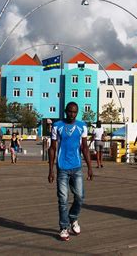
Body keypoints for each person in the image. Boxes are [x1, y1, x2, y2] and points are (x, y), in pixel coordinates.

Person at [48, 102, 93, 241]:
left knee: (80, 197)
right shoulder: (57, 126)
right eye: (70, 111)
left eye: (75, 112)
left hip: (77, 167)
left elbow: (85, 148)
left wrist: (90, 167)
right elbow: (52, 148)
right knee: (63, 199)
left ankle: (73, 218)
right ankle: (63, 227)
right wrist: (50, 170)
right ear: (65, 111)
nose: (72, 114)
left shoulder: (82, 126)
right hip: (62, 167)